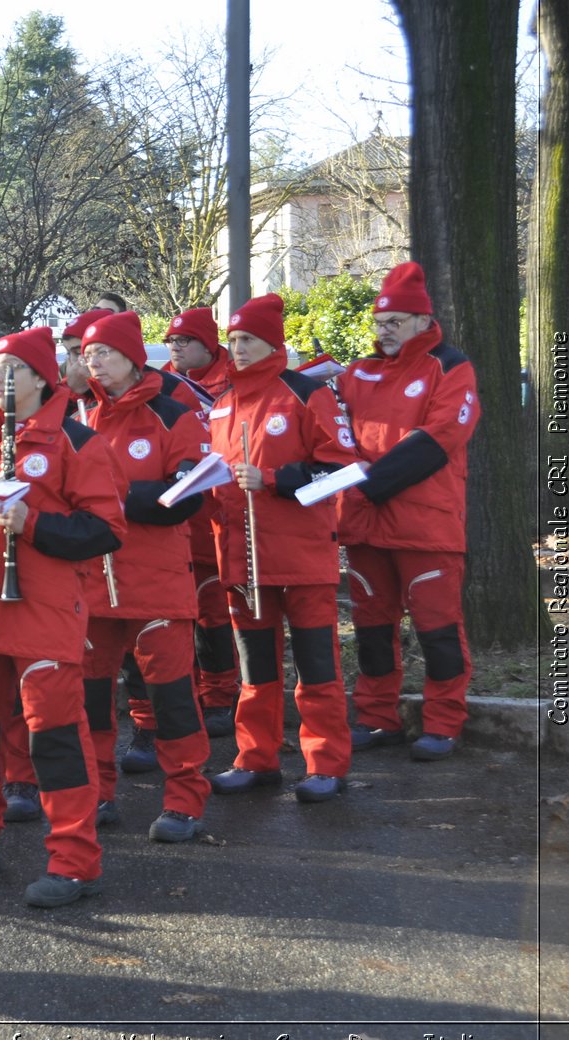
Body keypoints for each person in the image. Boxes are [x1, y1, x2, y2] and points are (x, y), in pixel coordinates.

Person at [0, 326, 125, 905]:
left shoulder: (75, 441)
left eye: (10, 369)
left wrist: (34, 525)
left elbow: (105, 531)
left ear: (42, 378)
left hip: (41, 611)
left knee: (56, 739)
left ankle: (73, 859)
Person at [207, 293, 358, 803]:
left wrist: (272, 478)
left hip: (302, 557)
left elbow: (341, 470)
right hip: (243, 559)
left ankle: (326, 764)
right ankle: (256, 758)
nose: (239, 348)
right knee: (256, 670)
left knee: (316, 666)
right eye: (233, 340)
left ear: (274, 341)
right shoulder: (223, 402)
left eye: (248, 339)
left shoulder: (305, 393)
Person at [76, 312, 212, 842]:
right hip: (91, 586)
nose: (94, 363)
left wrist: (106, 500)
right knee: (90, 701)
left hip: (156, 584)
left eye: (104, 353)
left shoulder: (174, 417)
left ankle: (184, 799)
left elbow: (182, 499)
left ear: (134, 358)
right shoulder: (80, 419)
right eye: (88, 355)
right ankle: (98, 793)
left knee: (172, 699)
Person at [339, 262, 479, 761]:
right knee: (373, 628)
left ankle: (444, 723)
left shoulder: (450, 366)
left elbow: (440, 438)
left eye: (395, 321)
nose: (385, 331)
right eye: (380, 322)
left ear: (423, 320)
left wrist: (369, 482)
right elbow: (335, 439)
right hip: (364, 526)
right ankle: (378, 719)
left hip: (426, 524)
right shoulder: (357, 373)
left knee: (437, 628)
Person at [162, 308, 238, 737]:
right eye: (171, 342)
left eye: (184, 341)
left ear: (207, 345)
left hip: (217, 513)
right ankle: (190, 692)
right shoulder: (166, 385)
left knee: (213, 611)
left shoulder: (230, 382)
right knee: (181, 614)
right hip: (183, 515)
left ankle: (220, 695)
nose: (175, 348)